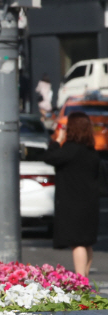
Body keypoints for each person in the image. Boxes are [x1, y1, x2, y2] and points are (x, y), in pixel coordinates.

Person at [43, 112, 100, 277]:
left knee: (78, 243)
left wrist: (57, 141)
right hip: (90, 203)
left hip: (73, 204)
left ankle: (81, 279)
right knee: (86, 242)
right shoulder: (91, 151)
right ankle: (85, 277)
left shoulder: (70, 150)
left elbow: (49, 157)